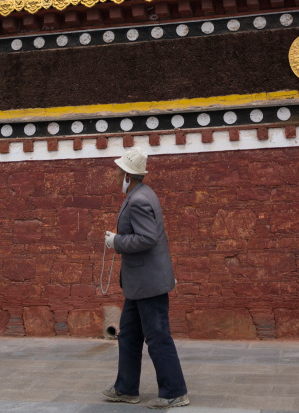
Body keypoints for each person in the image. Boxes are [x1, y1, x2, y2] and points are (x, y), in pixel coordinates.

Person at [101, 147, 189, 409]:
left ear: (128, 175)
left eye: (119, 172)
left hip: (148, 283)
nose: (116, 176)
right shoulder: (142, 193)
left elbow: (148, 238)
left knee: (158, 336)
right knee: (128, 334)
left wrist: (116, 241)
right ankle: (126, 388)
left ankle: (174, 391)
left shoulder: (138, 200)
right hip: (139, 284)